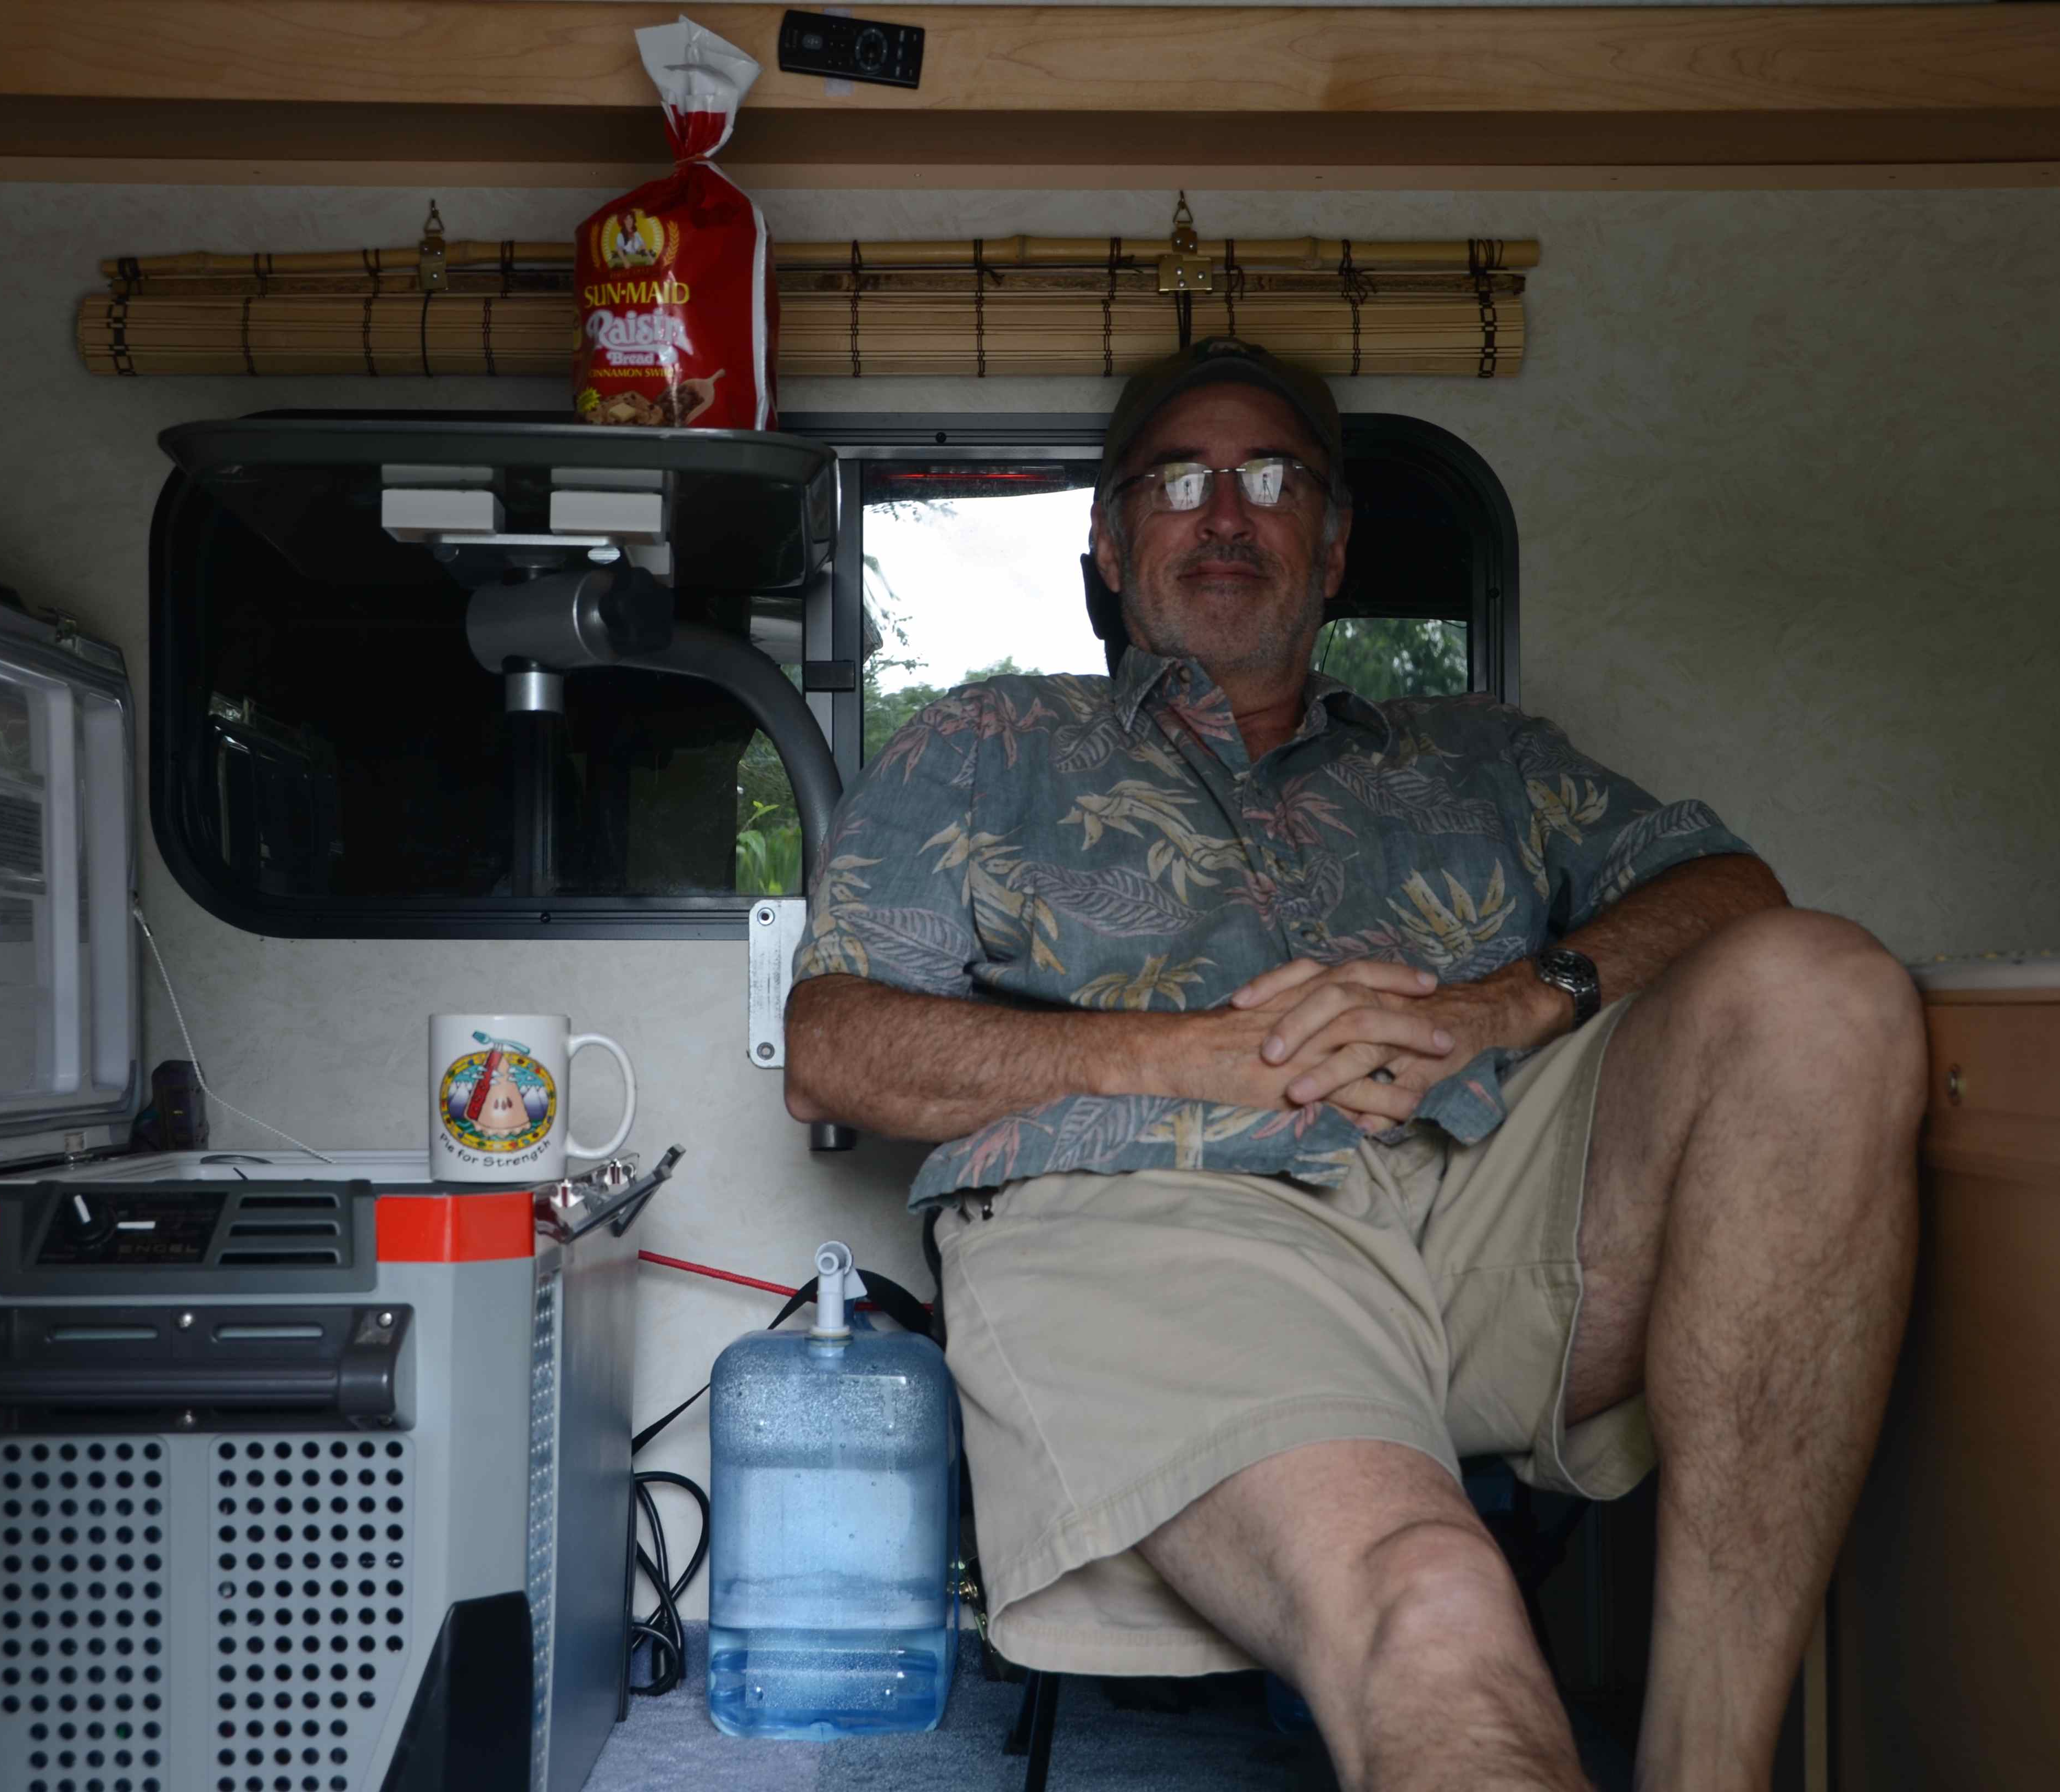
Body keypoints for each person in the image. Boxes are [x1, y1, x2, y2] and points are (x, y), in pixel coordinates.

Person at [783, 338, 1924, 1792]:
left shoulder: (1481, 753)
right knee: (1430, 1601)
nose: (1225, 512)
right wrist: (1192, 1055)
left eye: (1272, 479)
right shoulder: (990, 741)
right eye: (1178, 480)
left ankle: (1716, 1769)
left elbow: (1732, 890)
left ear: (1330, 550)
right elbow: (831, 1049)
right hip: (1162, 1218)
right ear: (1111, 546)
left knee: (1827, 993)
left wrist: (1512, 1006)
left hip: (1484, 1205)